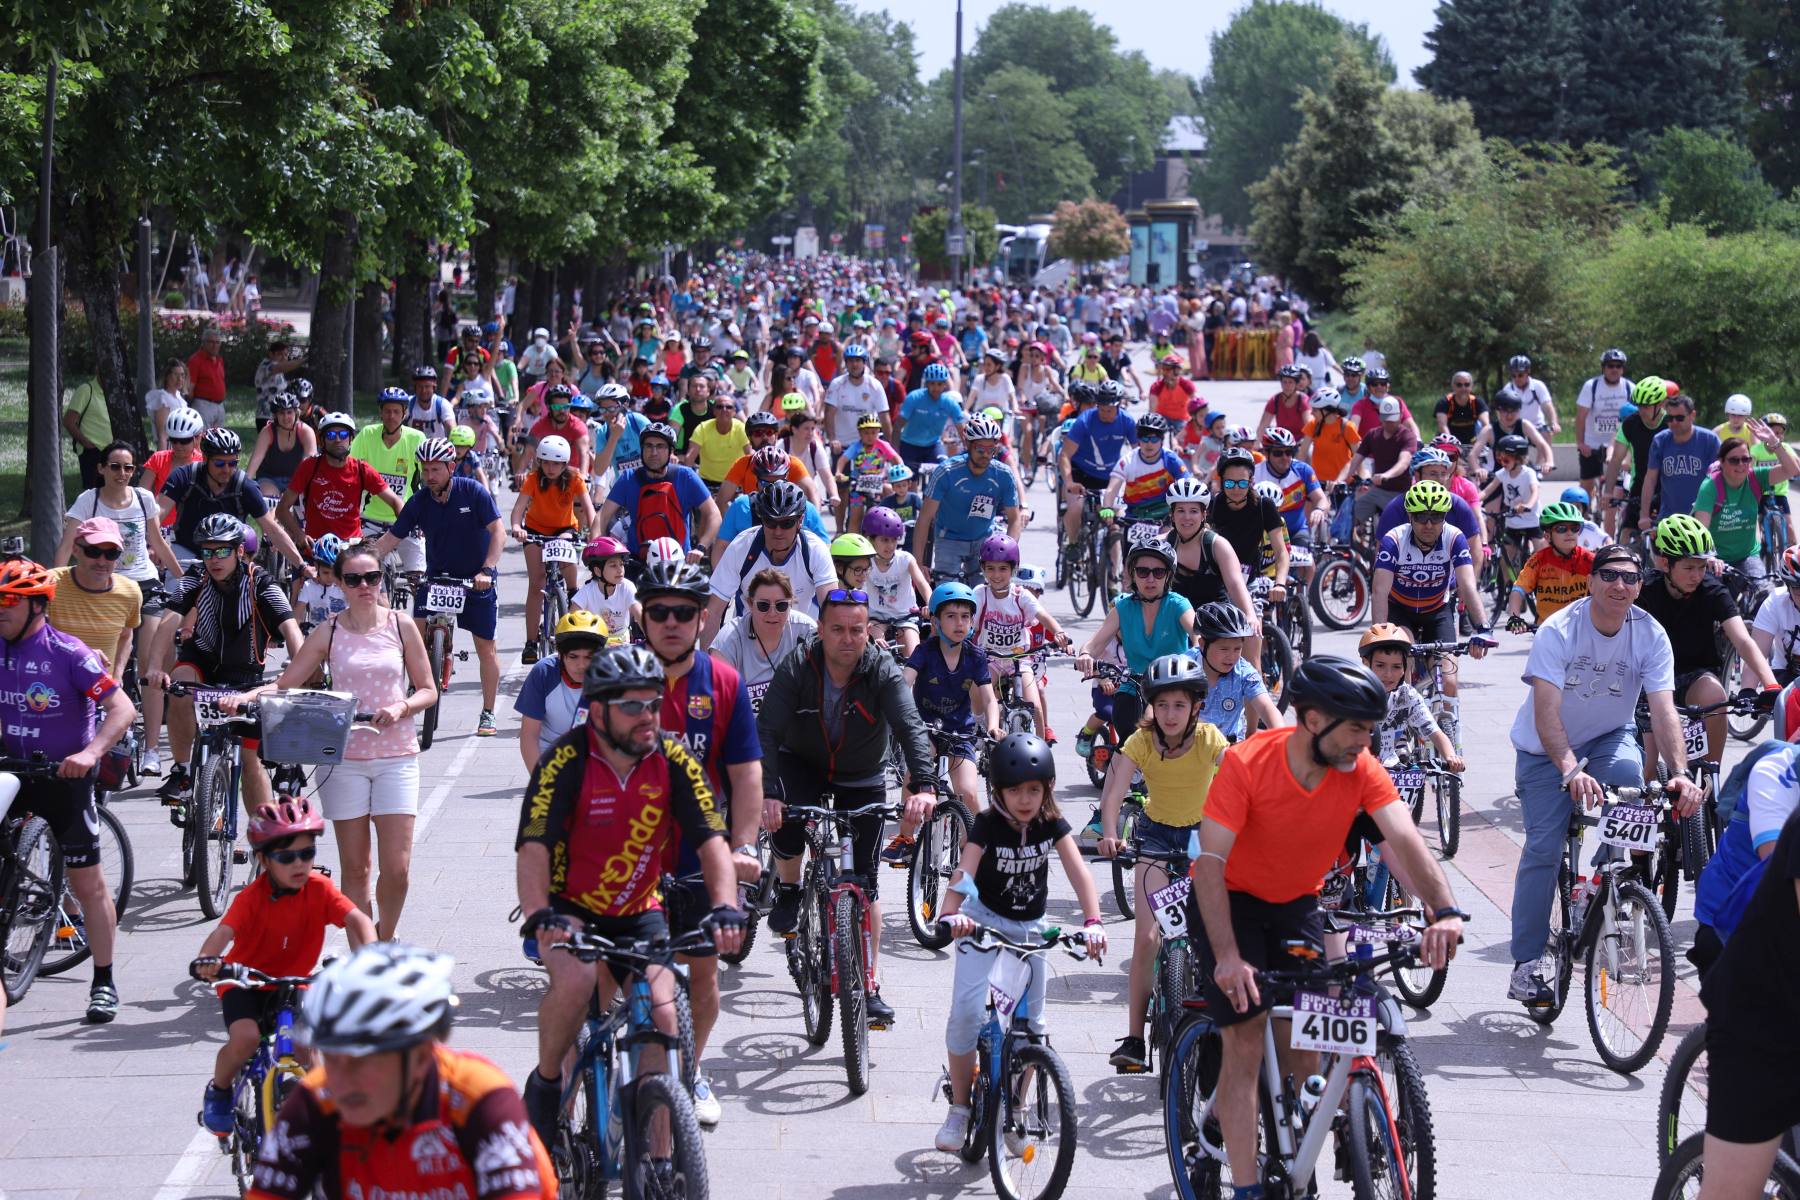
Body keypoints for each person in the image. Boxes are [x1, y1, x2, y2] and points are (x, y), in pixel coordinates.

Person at [1194, 657, 1465, 1196]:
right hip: (1233, 903)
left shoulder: (1361, 767)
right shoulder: (1248, 764)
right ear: (1313, 720)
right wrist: (1227, 955)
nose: (1367, 741)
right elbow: (1210, 866)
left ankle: (1300, 1138)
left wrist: (1445, 907)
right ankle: (1246, 1186)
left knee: (1305, 1038)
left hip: (1296, 903)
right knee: (1245, 1040)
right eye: (1358, 728)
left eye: (1371, 729)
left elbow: (1404, 840)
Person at [515, 644, 743, 1149]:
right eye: (633, 706)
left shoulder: (673, 757)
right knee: (575, 986)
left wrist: (727, 904)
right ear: (597, 710)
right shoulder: (563, 763)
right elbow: (532, 849)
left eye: (653, 703)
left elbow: (710, 838)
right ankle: (548, 1084)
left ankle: (658, 1158)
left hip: (641, 911)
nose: (648, 716)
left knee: (664, 1016)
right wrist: (539, 915)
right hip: (571, 911)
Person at [1506, 544, 1702, 1005]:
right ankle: (1527, 963)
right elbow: (1545, 712)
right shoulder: (1559, 630)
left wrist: (1680, 773)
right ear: (1591, 582)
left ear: (1640, 586)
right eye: (1610, 576)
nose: (1620, 585)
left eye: (1630, 578)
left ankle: (1603, 879)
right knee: (1543, 848)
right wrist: (1569, 768)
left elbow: (1663, 710)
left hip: (1610, 736)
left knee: (1635, 782)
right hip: (1545, 749)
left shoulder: (1650, 633)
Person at [245, 941, 556, 1200]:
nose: (340, 1082)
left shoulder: (481, 1097)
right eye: (332, 1058)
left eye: (362, 1062)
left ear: (421, 1056)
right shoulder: (316, 1101)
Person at [760, 588, 938, 1025]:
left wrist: (925, 785)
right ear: (819, 630)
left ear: (868, 632)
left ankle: (870, 983)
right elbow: (765, 730)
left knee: (866, 884)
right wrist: (766, 792)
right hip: (801, 762)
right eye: (836, 629)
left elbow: (910, 726)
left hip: (861, 773)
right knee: (785, 819)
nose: (846, 638)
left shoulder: (881, 669)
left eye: (856, 630)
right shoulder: (798, 664)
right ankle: (789, 888)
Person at [932, 733, 1106, 1154]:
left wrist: (1094, 921)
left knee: (1033, 1029)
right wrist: (950, 913)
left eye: (1034, 789)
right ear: (998, 792)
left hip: (1031, 927)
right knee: (966, 1015)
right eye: (1014, 791)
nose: (1025, 799)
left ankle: (1017, 1105)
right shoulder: (989, 824)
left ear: (1046, 788)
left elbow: (1079, 871)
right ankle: (958, 1106)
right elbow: (964, 872)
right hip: (982, 923)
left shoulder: (1051, 823)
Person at [252, 540, 436, 936]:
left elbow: (428, 688)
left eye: (372, 577)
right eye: (354, 579)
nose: (364, 586)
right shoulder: (328, 632)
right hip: (345, 759)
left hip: (397, 756)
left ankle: (385, 935)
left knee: (398, 869)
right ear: (339, 584)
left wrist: (402, 707)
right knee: (356, 868)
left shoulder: (401, 625)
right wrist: (242, 697)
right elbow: (285, 684)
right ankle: (366, 959)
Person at [638, 558, 764, 1126]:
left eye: (683, 612)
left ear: (700, 619)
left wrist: (742, 847)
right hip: (625, 856)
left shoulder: (724, 682)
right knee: (605, 982)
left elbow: (745, 775)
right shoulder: (617, 676)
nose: (671, 622)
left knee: (704, 974)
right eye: (659, 610)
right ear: (642, 616)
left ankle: (691, 1068)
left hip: (697, 854)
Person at [191, 796, 376, 1136]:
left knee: (305, 1045)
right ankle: (219, 1091)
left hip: (295, 982)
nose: (300, 864)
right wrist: (208, 961)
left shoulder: (319, 889)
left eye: (307, 853)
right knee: (246, 1038)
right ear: (263, 860)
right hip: (245, 982)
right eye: (287, 856)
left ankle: (324, 1103)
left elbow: (359, 920)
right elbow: (222, 934)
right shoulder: (251, 898)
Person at [0, 559, 135, 1023]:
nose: (1, 609)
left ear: (38, 606)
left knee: (88, 884)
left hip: (65, 779)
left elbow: (122, 709)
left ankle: (103, 980)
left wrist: (91, 754)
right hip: (11, 773)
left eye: (9, 601)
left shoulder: (69, 653)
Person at [1095, 654, 1227, 1073]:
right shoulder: (1140, 741)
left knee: (1213, 935)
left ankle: (1215, 1024)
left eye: (1180, 705)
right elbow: (1113, 793)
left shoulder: (1209, 740)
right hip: (1154, 836)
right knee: (1147, 937)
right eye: (1163, 705)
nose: (1170, 715)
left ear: (1196, 707)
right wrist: (1111, 833)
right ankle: (1135, 1038)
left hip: (1200, 839)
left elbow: (1239, 781)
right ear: (1151, 705)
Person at [148, 512, 303, 818]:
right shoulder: (196, 578)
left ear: (239, 551)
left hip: (245, 672)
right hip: (202, 660)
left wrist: (296, 673)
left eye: (222, 551)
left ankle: (263, 836)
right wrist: (154, 667)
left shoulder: (261, 583)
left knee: (249, 759)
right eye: (207, 551)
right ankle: (182, 772)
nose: (214, 559)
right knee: (179, 686)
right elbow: (168, 622)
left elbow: (291, 630)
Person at [372, 438, 507, 737]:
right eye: (425, 469)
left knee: (486, 648)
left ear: (451, 467)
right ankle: (410, 690)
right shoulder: (419, 501)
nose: (429, 475)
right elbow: (392, 538)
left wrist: (487, 569)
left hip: (475, 579)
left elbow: (498, 531)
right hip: (437, 578)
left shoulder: (472, 491)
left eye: (435, 469)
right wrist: (364, 563)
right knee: (411, 637)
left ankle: (487, 711)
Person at [1634, 515, 1780, 771]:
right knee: (1647, 769)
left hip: (1693, 676)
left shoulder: (1712, 590)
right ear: (1665, 563)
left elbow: (1743, 641)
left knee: (1715, 694)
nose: (1697, 575)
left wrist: (1770, 684)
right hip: (1648, 682)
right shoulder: (1643, 591)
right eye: (1689, 568)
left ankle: (1710, 785)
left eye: (1702, 567)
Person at [1075, 540, 1196, 735]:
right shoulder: (1123, 607)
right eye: (1142, 572)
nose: (1150, 579)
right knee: (1125, 737)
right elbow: (1096, 643)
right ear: (1132, 574)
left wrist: (1197, 656)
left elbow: (1198, 636)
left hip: (1173, 685)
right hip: (1134, 685)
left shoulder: (1178, 605)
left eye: (1158, 572)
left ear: (1168, 576)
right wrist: (1086, 654)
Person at [159, 427, 312, 574]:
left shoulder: (245, 486)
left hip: (227, 556)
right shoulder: (183, 477)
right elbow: (155, 517)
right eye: (219, 463)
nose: (226, 469)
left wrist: (302, 566)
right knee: (177, 595)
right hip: (186, 552)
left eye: (232, 463)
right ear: (205, 458)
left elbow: (272, 530)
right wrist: (152, 546)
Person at [703, 480, 836, 641]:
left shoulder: (815, 550)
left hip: (798, 641)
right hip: (750, 641)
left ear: (800, 521)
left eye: (787, 523)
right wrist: (709, 665)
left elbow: (832, 612)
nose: (778, 531)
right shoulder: (742, 546)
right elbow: (713, 613)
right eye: (770, 522)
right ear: (761, 520)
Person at [508, 435, 595, 663]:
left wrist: (596, 535)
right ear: (539, 462)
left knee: (570, 575)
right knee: (536, 583)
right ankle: (531, 643)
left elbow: (589, 509)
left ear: (564, 464)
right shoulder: (533, 479)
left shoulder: (575, 478)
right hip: (535, 531)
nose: (550, 467)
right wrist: (517, 527)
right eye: (545, 462)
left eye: (556, 463)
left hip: (565, 529)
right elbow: (518, 509)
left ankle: (573, 601)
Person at [914, 415, 1022, 585]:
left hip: (983, 539)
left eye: (991, 450)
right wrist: (918, 563)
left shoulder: (1003, 474)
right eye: (980, 450)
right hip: (949, 539)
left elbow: (1015, 519)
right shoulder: (947, 472)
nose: (986, 455)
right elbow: (924, 519)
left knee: (986, 596)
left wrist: (1008, 554)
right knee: (948, 597)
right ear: (967, 444)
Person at [597, 421, 720, 558]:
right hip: (637, 561)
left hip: (678, 561)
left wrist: (701, 548)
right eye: (648, 446)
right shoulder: (628, 478)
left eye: (660, 446)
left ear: (671, 451)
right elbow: (602, 517)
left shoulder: (686, 476)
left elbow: (714, 514)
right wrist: (597, 554)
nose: (653, 452)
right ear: (641, 449)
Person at [1693, 423, 1799, 581]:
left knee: (1763, 593)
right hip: (1715, 560)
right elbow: (1701, 530)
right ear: (1721, 462)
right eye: (1734, 460)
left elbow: (1793, 470)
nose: (1741, 465)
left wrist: (1774, 442)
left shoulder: (1756, 478)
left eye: (1746, 459)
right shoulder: (1710, 487)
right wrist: (1709, 558)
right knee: (1716, 600)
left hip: (1747, 556)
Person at [709, 568, 819, 714]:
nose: (772, 613)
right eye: (763, 605)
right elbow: (717, 703)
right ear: (750, 604)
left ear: (791, 604)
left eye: (781, 605)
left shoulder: (806, 630)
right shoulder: (729, 640)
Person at [45, 516, 143, 678]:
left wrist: (117, 676)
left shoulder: (130, 592)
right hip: (54, 686)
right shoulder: (50, 583)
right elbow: (34, 639)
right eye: (93, 552)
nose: (102, 561)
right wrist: (80, 655)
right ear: (75, 550)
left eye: (111, 554)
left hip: (101, 691)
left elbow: (126, 636)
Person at [1358, 623, 1464, 768]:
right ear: (1365, 664)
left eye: (1396, 667)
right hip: (1358, 768)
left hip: (1391, 767)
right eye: (1380, 665)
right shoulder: (1354, 696)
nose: (1388, 674)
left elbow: (1433, 730)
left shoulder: (1406, 695)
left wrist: (1450, 755)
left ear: (1404, 669)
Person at [515, 610, 607, 773]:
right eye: (573, 657)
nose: (581, 665)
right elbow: (529, 735)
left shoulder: (613, 676)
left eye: (589, 657)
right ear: (560, 655)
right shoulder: (543, 672)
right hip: (551, 752)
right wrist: (540, 782)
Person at [1059, 381, 1137, 552]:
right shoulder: (1085, 420)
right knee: (1076, 508)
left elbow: (1139, 454)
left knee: (1114, 520)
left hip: (1108, 479)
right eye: (1101, 408)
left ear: (1118, 406)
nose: (1104, 414)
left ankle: (1114, 575)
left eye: (1109, 410)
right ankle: (1072, 544)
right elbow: (1065, 455)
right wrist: (1070, 482)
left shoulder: (1127, 421)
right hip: (1081, 475)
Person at [1191, 600, 1282, 743]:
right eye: (1224, 649)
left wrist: (1282, 738)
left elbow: (1266, 708)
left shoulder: (1245, 672)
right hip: (1191, 751)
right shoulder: (1184, 668)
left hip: (1230, 749)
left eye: (1237, 649)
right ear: (1202, 645)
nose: (1231, 657)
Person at [1505, 501, 1596, 629]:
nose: (1569, 533)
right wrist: (1514, 616)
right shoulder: (1538, 560)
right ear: (1548, 536)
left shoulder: (1589, 559)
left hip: (1580, 628)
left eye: (1574, 528)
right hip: (1547, 629)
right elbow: (1518, 590)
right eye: (1561, 529)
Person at [1641, 390, 1720, 531]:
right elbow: (1650, 478)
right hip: (1669, 518)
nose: (1674, 422)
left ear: (1692, 416)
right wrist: (1644, 515)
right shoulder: (1660, 440)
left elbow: (1721, 477)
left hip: (1704, 517)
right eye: (1669, 419)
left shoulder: (1709, 440)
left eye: (1679, 418)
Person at [863, 505, 929, 656]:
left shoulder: (905, 559)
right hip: (876, 617)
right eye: (885, 540)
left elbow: (922, 584)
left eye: (894, 540)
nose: (891, 545)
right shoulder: (866, 562)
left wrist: (931, 604)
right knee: (876, 653)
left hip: (905, 616)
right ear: (871, 539)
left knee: (913, 656)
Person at [1345, 397, 1418, 529]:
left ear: (1401, 416)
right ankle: (1354, 542)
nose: (1389, 423)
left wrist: (1386, 475)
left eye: (1393, 419)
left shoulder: (1407, 436)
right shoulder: (1373, 435)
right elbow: (1357, 457)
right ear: (1380, 417)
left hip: (1400, 493)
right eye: (1386, 419)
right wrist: (1347, 477)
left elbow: (1404, 462)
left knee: (1391, 526)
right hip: (1378, 490)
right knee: (1353, 513)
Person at [1574, 349, 1632, 499]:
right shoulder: (1591, 386)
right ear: (1603, 367)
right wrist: (1580, 443)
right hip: (1592, 442)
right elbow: (1581, 417)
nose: (1614, 369)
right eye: (1610, 366)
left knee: (1621, 485)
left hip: (1620, 442)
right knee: (1587, 484)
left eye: (1618, 366)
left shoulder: (1630, 388)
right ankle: (1585, 515)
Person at [1481, 433, 1543, 556]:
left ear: (1519, 459)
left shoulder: (1528, 473)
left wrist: (1528, 505)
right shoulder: (1503, 473)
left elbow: (1535, 492)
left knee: (1541, 549)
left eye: (1506, 460)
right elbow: (1487, 491)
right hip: (1513, 522)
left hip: (1531, 521)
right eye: (1500, 459)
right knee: (1506, 555)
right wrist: (1472, 501)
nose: (1502, 463)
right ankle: (1508, 576)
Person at [897, 362, 965, 471]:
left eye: (939, 384)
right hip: (909, 444)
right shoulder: (914, 397)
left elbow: (962, 430)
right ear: (926, 384)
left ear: (945, 385)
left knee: (944, 469)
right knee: (909, 479)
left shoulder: (950, 403)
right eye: (932, 383)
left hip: (933, 445)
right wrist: (894, 451)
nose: (936, 388)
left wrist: (969, 451)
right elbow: (897, 426)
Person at [571, 535, 636, 644]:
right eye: (613, 565)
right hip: (595, 647)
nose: (620, 570)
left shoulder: (627, 587)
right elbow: (571, 621)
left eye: (621, 564)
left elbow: (640, 614)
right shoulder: (587, 591)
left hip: (623, 648)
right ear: (597, 571)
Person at [1493, 353, 1560, 434]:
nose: (1517, 378)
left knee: (1546, 434)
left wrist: (1554, 423)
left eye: (1520, 375)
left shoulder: (1538, 386)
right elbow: (1502, 411)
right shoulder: (1508, 389)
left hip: (1537, 426)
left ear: (1528, 372)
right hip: (1517, 427)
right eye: (1514, 376)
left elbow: (1547, 406)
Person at [146, 359, 192, 451]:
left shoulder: (180, 399)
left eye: (182, 375)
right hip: (170, 447)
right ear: (167, 376)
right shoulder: (163, 398)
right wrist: (162, 459)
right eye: (176, 375)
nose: (180, 379)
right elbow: (162, 435)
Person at [186, 327, 227, 428]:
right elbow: (189, 387)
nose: (215, 345)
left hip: (219, 405)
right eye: (211, 342)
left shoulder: (219, 360)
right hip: (203, 405)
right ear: (203, 343)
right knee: (203, 439)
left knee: (218, 441)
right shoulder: (195, 360)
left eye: (217, 342)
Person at [1433, 371, 1487, 448]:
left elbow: (1486, 425)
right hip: (1448, 442)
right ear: (1453, 386)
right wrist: (1453, 445)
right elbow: (1442, 426)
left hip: (1471, 443)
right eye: (1459, 385)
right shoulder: (1444, 402)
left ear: (1471, 386)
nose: (1463, 388)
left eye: (1467, 384)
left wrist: (1479, 442)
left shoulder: (1477, 402)